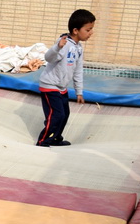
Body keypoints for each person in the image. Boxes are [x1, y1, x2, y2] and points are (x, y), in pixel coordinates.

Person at [35, 8, 96, 147]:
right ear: (75, 30)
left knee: (65, 114)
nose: (91, 33)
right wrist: (57, 47)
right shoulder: (63, 43)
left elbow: (78, 70)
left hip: (61, 87)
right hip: (50, 85)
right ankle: (43, 140)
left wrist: (79, 91)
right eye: (88, 30)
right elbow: (48, 58)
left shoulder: (79, 48)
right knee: (57, 115)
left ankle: (56, 138)